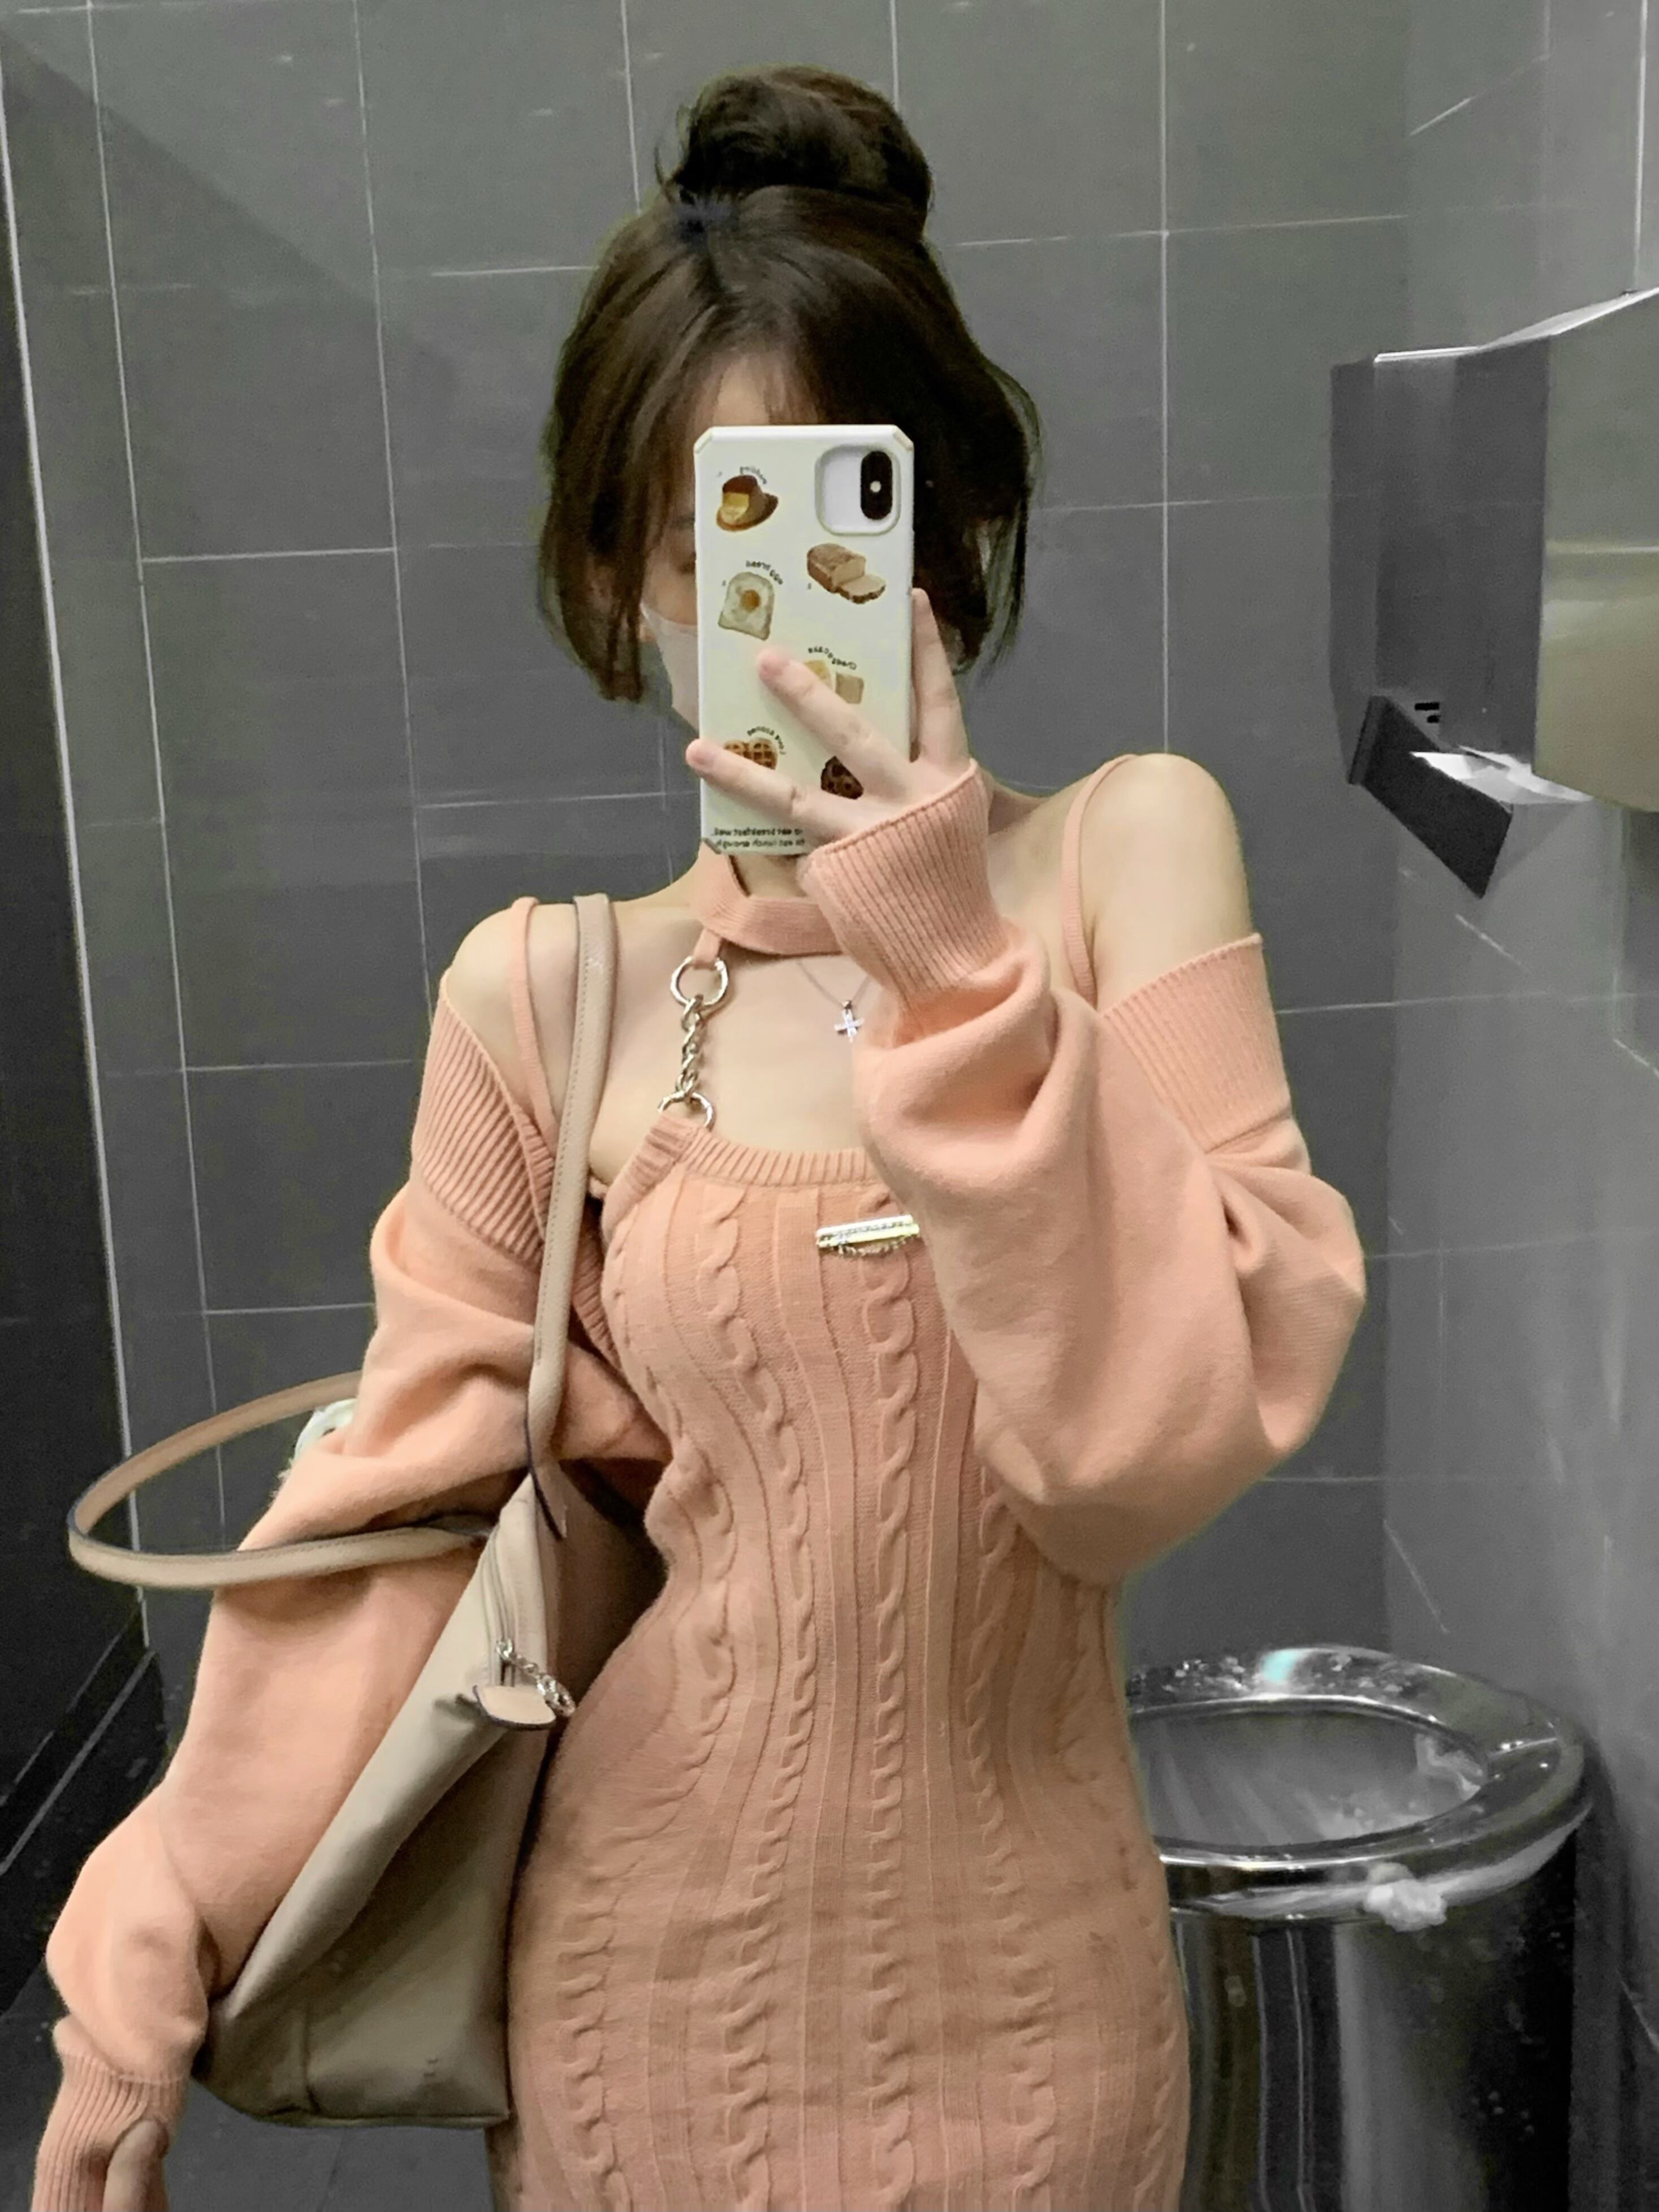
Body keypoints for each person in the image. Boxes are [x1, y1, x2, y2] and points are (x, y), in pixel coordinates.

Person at [35, 64, 1365, 2212]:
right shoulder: (540, 996)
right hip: (636, 2011)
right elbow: (396, 1528)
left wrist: (944, 953)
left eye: (855, 527)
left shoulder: (1130, 857)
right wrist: (147, 1937)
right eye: (714, 546)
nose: (794, 608)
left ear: (951, 538)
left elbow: (1138, 1461)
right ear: (617, 574)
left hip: (1037, 2028)